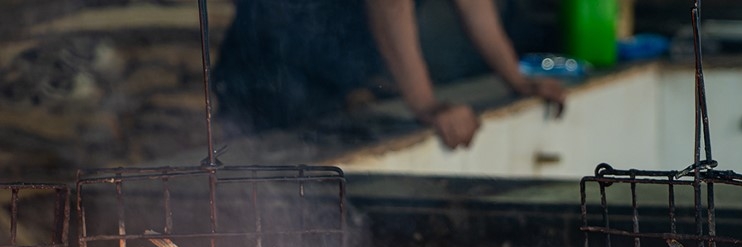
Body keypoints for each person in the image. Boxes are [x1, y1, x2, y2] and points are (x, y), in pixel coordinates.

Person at [213, 0, 566, 149]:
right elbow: (389, 5)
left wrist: (516, 79)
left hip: (333, 68)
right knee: (272, 189)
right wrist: (427, 105)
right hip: (276, 60)